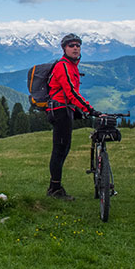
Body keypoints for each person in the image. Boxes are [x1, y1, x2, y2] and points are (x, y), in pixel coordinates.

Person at [46, 33, 98, 200]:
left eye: (78, 45)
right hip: (60, 110)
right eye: (71, 45)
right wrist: (90, 110)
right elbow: (71, 92)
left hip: (65, 109)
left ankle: (54, 187)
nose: (75, 48)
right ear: (64, 48)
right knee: (59, 150)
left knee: (63, 149)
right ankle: (55, 189)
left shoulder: (72, 65)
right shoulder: (63, 66)